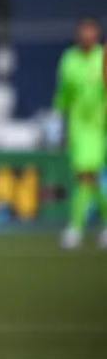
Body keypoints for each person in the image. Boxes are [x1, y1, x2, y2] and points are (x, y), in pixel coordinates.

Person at [54, 16, 107, 249]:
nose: (87, 37)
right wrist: (59, 124)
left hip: (98, 127)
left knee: (88, 175)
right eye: (84, 32)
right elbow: (64, 94)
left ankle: (75, 228)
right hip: (77, 127)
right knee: (87, 179)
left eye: (91, 33)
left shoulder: (102, 58)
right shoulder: (69, 59)